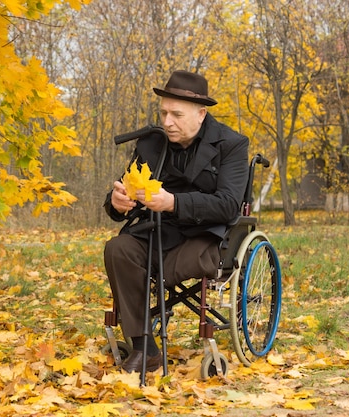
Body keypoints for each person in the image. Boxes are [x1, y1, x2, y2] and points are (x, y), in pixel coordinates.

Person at [104, 70, 249, 374]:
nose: (167, 121)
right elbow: (126, 187)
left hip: (205, 234)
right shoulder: (151, 143)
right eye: (164, 113)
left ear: (200, 114)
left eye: (176, 114)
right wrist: (116, 202)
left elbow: (228, 204)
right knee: (118, 249)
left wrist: (174, 202)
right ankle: (145, 347)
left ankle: (149, 323)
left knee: (166, 268)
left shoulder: (231, 145)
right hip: (157, 230)